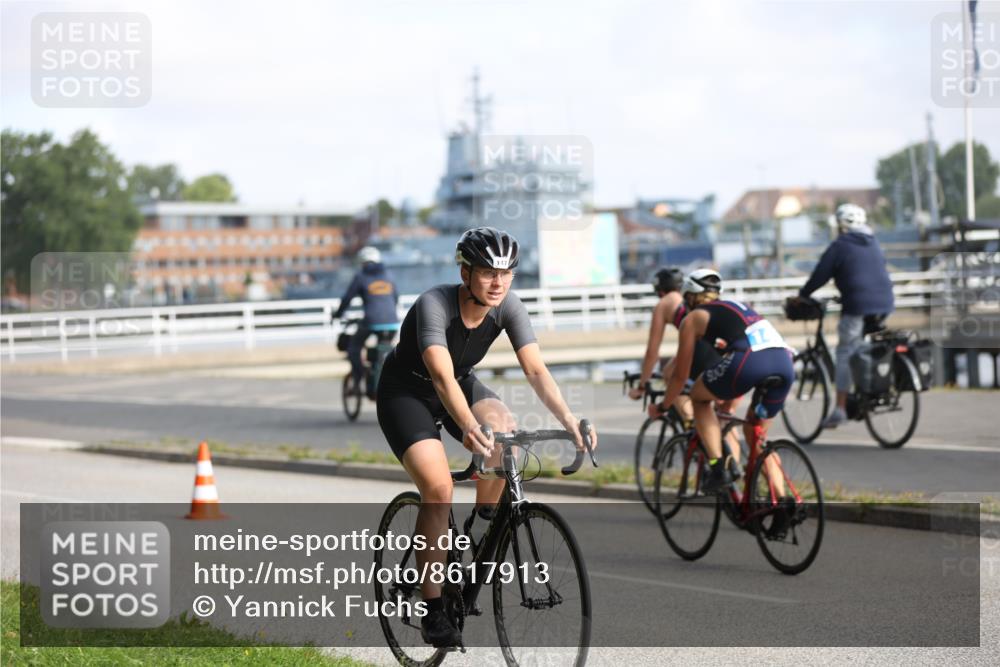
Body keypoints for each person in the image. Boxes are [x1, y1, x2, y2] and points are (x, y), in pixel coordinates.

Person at [375, 227, 597, 648]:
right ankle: (433, 609)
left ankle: (480, 527)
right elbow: (440, 375)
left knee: (504, 430)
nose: (498, 283)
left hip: (460, 383)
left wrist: (567, 418)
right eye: (488, 273)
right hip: (407, 393)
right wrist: (468, 426)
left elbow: (535, 369)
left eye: (506, 273)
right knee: (439, 490)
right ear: (466, 273)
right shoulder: (433, 305)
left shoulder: (508, 306)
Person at [648, 269, 794, 495]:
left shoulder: (692, 318)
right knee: (756, 437)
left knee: (698, 397)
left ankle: (718, 468)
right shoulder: (736, 307)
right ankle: (784, 501)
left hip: (750, 361)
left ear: (690, 297)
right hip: (784, 362)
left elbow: (679, 377)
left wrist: (663, 406)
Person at [795, 203, 894, 428]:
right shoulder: (874, 242)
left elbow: (821, 274)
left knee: (844, 353)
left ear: (841, 226)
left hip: (858, 305)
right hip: (885, 304)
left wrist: (803, 295)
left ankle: (840, 409)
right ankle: (868, 389)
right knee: (863, 347)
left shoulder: (840, 245)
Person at [630, 267, 743, 465]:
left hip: (701, 349)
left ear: (660, 291)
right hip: (728, 353)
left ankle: (691, 420)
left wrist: (641, 385)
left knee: (670, 374)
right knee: (724, 418)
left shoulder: (664, 304)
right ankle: (734, 473)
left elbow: (652, 352)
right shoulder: (699, 298)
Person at [334, 246, 399, 394]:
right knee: (385, 351)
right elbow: (395, 298)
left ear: (362, 262)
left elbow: (347, 298)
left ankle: (359, 378)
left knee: (354, 347)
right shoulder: (389, 275)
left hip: (371, 321)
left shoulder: (361, 276)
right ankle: (380, 377)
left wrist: (338, 314)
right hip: (392, 323)